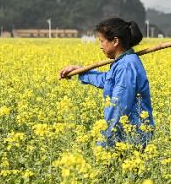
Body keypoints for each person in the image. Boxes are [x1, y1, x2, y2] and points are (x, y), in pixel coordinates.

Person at [60, 18, 155, 146]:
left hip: (133, 137)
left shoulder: (126, 66)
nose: (100, 46)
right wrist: (80, 70)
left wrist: (105, 141)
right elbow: (107, 81)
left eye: (102, 41)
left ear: (115, 41)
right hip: (126, 135)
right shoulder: (122, 62)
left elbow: (119, 107)